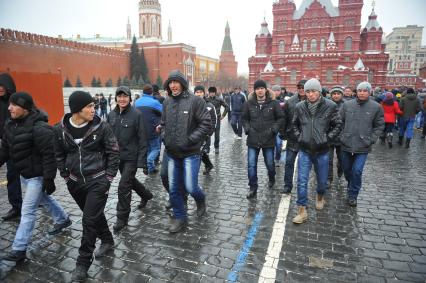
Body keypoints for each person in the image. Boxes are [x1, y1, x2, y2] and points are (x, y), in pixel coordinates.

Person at [53, 91, 120, 281]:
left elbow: (113, 151)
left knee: (89, 220)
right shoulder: (60, 129)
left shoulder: (101, 126)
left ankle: (82, 263)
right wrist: (65, 177)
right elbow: (59, 154)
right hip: (75, 183)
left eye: (94, 106)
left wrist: (108, 177)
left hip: (98, 180)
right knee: (93, 215)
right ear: (77, 109)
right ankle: (107, 239)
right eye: (89, 106)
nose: (94, 109)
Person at [0, 92, 71, 262]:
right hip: (25, 173)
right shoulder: (10, 124)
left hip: (37, 176)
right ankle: (63, 219)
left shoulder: (40, 128)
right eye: (9, 104)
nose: (9, 108)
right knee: (45, 199)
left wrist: (48, 179)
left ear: (24, 108)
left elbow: (49, 155)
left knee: (28, 211)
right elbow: (5, 149)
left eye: (14, 105)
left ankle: (19, 249)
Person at [159, 70, 211, 233]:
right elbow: (164, 123)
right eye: (170, 83)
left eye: (176, 82)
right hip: (172, 153)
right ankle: (179, 217)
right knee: (174, 188)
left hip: (190, 152)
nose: (173, 85)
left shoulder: (196, 101)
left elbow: (206, 124)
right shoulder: (167, 102)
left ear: (182, 83)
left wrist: (190, 139)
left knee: (190, 187)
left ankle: (200, 200)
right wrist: (163, 136)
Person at [291, 79, 342, 224]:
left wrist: (327, 138)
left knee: (322, 181)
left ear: (319, 92)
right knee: (301, 181)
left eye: (313, 91)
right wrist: (300, 137)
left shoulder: (330, 105)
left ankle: (320, 195)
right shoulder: (300, 106)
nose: (311, 94)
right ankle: (302, 210)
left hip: (322, 150)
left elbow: (338, 124)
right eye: (308, 91)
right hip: (305, 150)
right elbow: (294, 124)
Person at [107, 86, 153, 232]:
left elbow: (142, 139)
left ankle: (122, 218)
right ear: (116, 98)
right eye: (119, 96)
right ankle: (146, 195)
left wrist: (142, 162)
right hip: (117, 157)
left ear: (130, 98)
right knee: (130, 181)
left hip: (131, 158)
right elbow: (107, 137)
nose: (122, 99)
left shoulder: (136, 114)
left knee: (123, 186)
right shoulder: (111, 115)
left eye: (125, 96)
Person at [340, 81, 384, 207]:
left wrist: (371, 139)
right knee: (347, 171)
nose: (362, 93)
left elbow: (379, 125)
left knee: (357, 171)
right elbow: (339, 122)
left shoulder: (376, 107)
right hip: (346, 143)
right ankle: (351, 184)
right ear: (356, 92)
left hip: (363, 145)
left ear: (369, 92)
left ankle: (353, 195)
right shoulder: (347, 105)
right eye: (360, 90)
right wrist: (341, 136)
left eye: (365, 90)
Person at [242, 80, 285, 199]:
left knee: (270, 164)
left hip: (268, 138)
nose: (260, 90)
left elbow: (280, 118)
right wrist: (248, 129)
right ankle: (253, 188)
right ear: (254, 90)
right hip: (253, 138)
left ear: (266, 89)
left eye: (262, 88)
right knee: (251, 165)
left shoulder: (273, 103)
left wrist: (273, 130)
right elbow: (244, 119)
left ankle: (272, 177)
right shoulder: (248, 103)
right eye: (257, 88)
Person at [0, 73, 22, 221]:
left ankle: (41, 198)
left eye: (2, 86)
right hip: (8, 144)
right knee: (12, 175)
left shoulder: (18, 101)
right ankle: (16, 207)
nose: (0, 89)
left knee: (34, 175)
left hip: (24, 143)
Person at [282, 79, 307, 194]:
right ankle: (287, 185)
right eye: (299, 87)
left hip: (307, 139)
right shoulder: (290, 101)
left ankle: (303, 186)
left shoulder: (313, 101)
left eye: (303, 87)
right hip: (292, 137)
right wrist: (283, 133)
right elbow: (284, 118)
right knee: (289, 163)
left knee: (305, 165)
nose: (301, 90)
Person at [135, 84, 163, 174]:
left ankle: (150, 168)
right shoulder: (155, 103)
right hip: (153, 130)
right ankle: (149, 161)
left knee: (147, 149)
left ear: (143, 92)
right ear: (152, 92)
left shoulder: (136, 102)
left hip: (140, 130)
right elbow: (163, 113)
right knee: (156, 149)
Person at [195, 85, 217, 174]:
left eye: (200, 92)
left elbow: (214, 119)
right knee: (200, 152)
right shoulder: (191, 104)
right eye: (197, 92)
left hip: (205, 135)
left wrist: (210, 133)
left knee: (199, 152)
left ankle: (194, 174)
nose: (199, 94)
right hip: (194, 134)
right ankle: (208, 165)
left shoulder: (209, 106)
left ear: (204, 93)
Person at [328, 86, 345, 185]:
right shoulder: (327, 104)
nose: (336, 95)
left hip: (342, 137)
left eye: (338, 93)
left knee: (342, 159)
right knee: (328, 160)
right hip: (329, 136)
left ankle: (340, 169)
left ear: (341, 95)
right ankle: (328, 178)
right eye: (334, 94)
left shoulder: (346, 105)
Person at [206, 86, 229, 154]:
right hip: (208, 119)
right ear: (209, 93)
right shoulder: (206, 100)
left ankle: (216, 147)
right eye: (211, 92)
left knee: (217, 134)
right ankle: (207, 148)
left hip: (217, 119)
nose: (212, 94)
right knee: (207, 134)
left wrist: (223, 115)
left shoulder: (219, 100)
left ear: (215, 93)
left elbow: (227, 107)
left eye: (213, 92)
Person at [271, 85, 286, 166]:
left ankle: (277, 158)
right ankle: (271, 159)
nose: (276, 92)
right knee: (270, 145)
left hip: (279, 127)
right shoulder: (268, 101)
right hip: (270, 126)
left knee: (278, 144)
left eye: (278, 90)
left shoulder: (283, 101)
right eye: (274, 90)